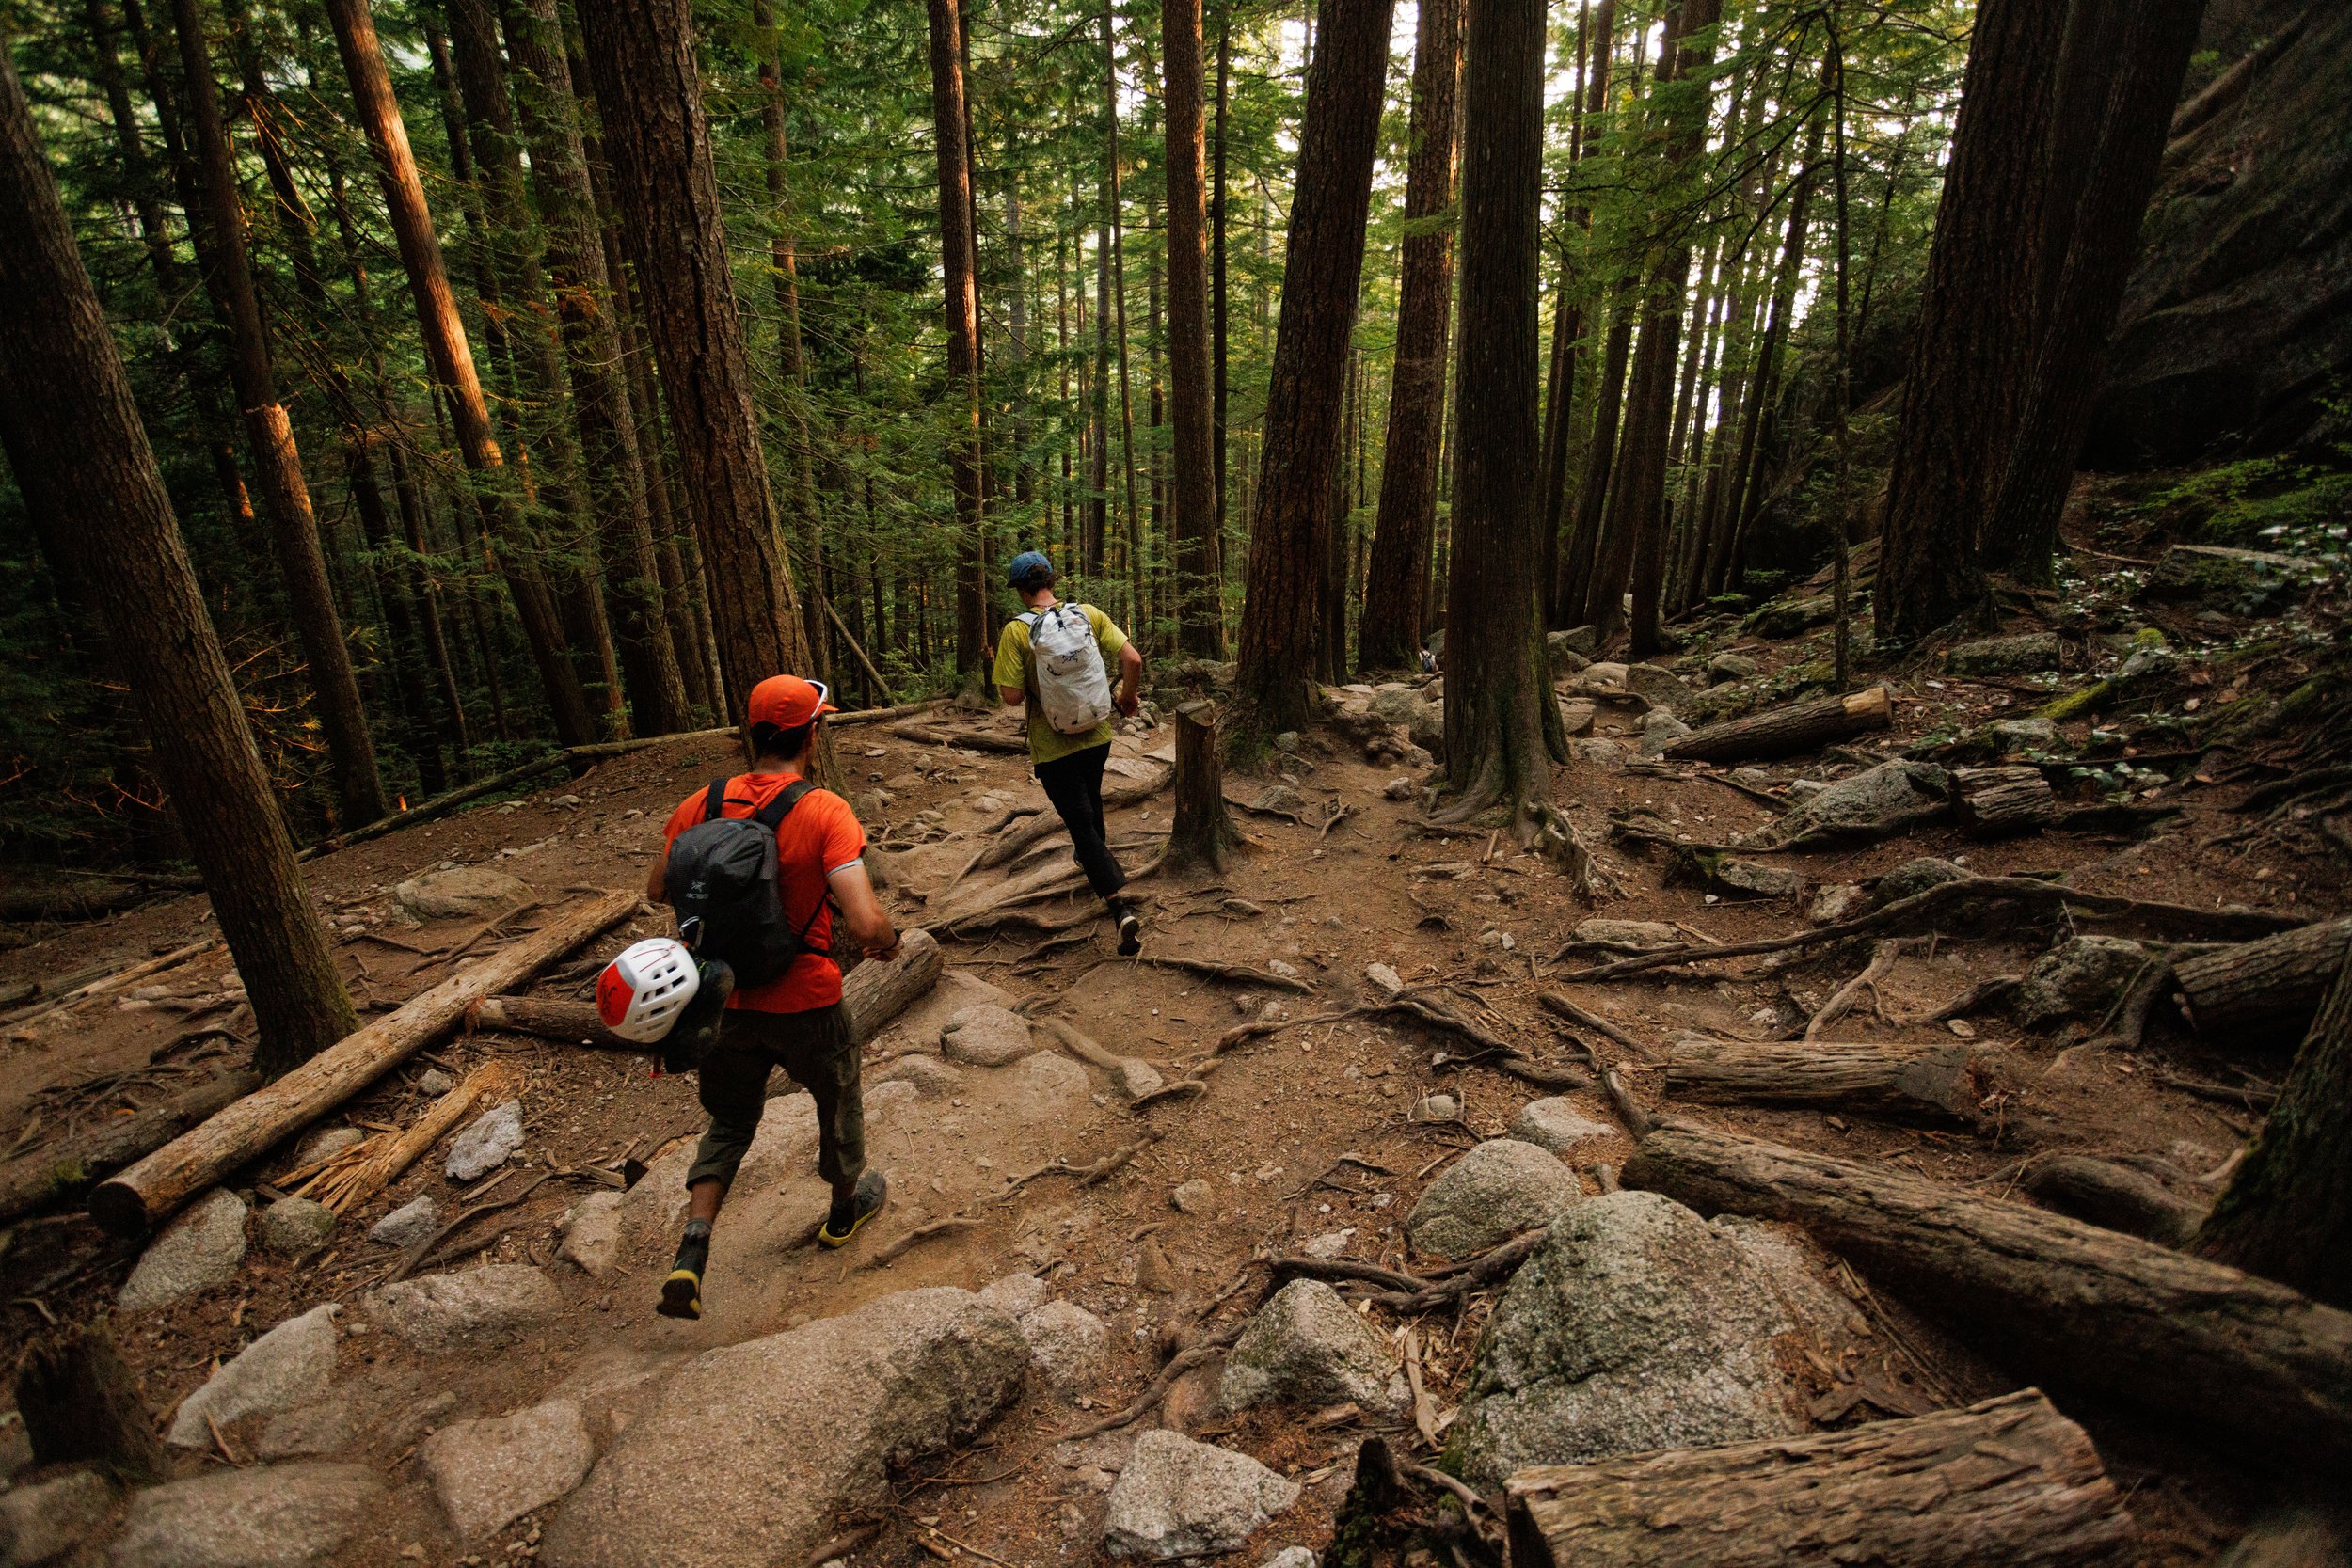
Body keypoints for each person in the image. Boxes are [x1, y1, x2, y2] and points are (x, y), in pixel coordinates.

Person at [642, 673, 898, 1320]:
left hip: (720, 999)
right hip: (806, 997)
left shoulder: (699, 803)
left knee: (729, 1120)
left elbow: (656, 888)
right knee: (836, 1095)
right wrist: (887, 941)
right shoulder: (824, 809)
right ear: (811, 734)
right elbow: (866, 922)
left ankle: (692, 1251)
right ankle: (844, 1211)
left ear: (751, 734)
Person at [993, 550, 1147, 956]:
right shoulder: (1089, 614)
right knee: (1089, 805)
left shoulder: (1016, 632)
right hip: (1097, 733)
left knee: (1079, 821)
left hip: (1051, 745)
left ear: (1022, 592)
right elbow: (1132, 658)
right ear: (1051, 582)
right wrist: (1126, 697)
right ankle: (1093, 861)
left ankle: (1119, 907)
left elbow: (1010, 698)